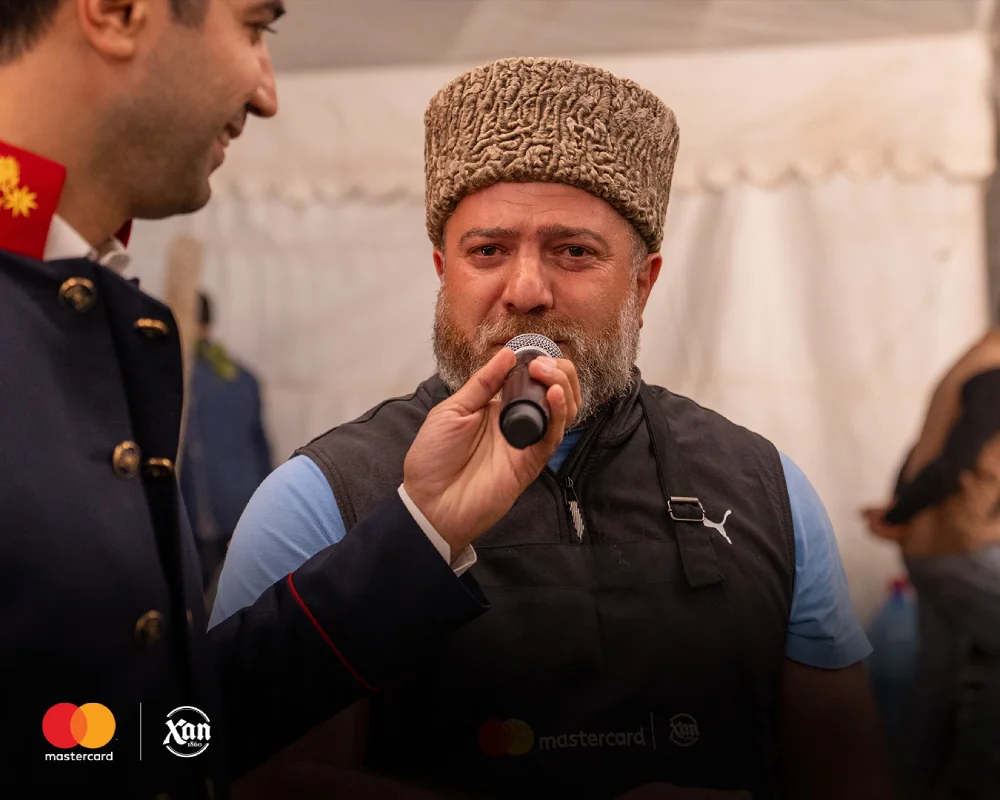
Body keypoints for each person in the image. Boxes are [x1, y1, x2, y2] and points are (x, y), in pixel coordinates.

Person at [212, 57, 894, 799]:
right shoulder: (320, 499)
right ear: (443, 272)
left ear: (644, 284)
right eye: (488, 251)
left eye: (574, 252)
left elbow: (849, 775)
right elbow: (256, 779)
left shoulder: (766, 490)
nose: (527, 290)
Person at [0, 4, 581, 798]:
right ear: (117, 12)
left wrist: (426, 527)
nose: (268, 94)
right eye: (254, 27)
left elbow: (145, 731)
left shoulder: (72, 299)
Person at [864, 323, 1000, 800]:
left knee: (936, 677)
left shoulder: (971, 363)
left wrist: (900, 508)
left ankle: (907, 784)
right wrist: (898, 515)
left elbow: (922, 450)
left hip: (930, 550)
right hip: (959, 547)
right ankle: (976, 780)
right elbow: (950, 465)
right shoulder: (994, 372)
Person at [180, 292, 272, 593]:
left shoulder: (180, 377)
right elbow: (261, 450)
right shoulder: (242, 377)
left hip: (198, 513)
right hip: (242, 508)